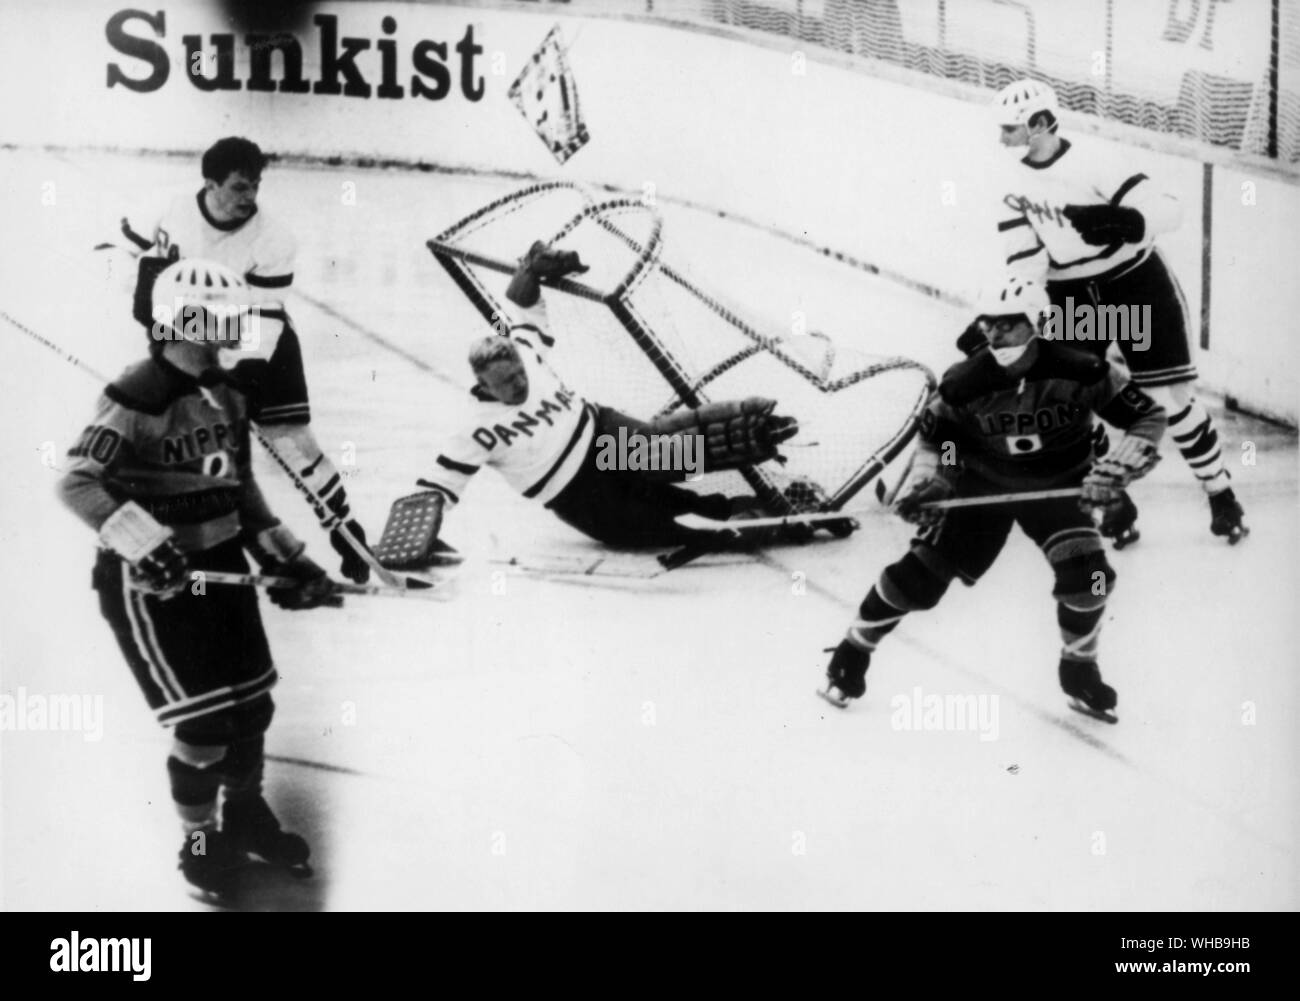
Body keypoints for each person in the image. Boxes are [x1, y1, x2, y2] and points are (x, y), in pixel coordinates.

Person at [57, 259, 341, 895]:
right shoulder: (135, 397)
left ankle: (244, 813)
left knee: (253, 709)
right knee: (205, 725)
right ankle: (199, 842)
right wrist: (142, 542)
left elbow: (239, 487)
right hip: (153, 587)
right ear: (184, 320)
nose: (234, 326)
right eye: (221, 316)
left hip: (221, 568)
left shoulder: (228, 391)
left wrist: (286, 558)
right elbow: (76, 482)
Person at [821, 275, 1167, 720]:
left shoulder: (1082, 369)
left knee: (1092, 580)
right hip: (982, 489)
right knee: (919, 580)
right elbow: (940, 437)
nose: (995, 333)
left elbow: (1147, 416)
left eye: (1007, 323)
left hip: (1058, 491)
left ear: (1037, 323)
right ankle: (852, 651)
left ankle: (1079, 669)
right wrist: (939, 478)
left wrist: (1116, 469)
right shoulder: (965, 381)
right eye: (988, 324)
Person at [381, 242, 798, 563]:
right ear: (485, 387)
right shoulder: (474, 428)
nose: (519, 384)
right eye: (507, 384)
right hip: (577, 496)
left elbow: (522, 304)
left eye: (520, 374)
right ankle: (752, 516)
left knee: (678, 455)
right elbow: (437, 487)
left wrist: (532, 266)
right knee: (660, 524)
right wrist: (413, 536)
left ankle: (761, 432)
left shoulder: (522, 350)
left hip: (602, 439)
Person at [989, 78, 1245, 545]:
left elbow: (1169, 210)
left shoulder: (1097, 160)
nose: (1001, 139)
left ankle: (1221, 492)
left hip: (1133, 281)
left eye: (1010, 129)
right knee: (1071, 404)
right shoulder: (1009, 181)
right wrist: (1017, 317)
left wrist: (1130, 221)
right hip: (1071, 290)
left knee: (1169, 400)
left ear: (1040, 123)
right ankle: (1113, 499)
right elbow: (1026, 265)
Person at [112, 136, 374, 580]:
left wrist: (247, 371)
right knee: (182, 440)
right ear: (210, 183)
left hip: (251, 331)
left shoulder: (275, 238)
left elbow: (266, 314)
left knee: (292, 441)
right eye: (238, 186)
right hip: (182, 329)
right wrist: (141, 293)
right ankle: (176, 542)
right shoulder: (168, 208)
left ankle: (345, 530)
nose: (249, 196)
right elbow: (116, 250)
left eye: (255, 185)